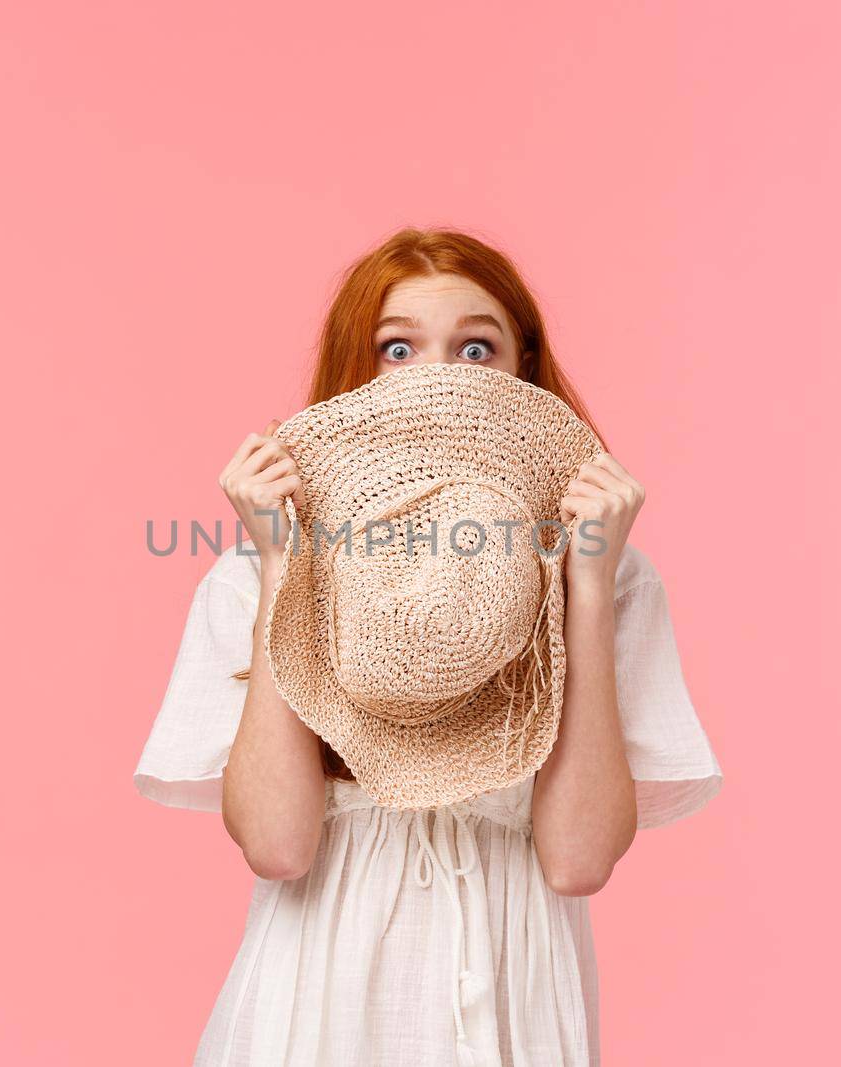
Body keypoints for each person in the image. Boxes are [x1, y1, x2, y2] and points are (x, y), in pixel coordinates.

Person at [133, 227, 722, 1066]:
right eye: (397, 348)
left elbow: (579, 859)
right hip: (315, 1000)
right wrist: (280, 565)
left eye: (475, 347)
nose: (440, 376)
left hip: (516, 998)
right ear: (356, 372)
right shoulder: (251, 573)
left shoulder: (614, 575)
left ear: (523, 367)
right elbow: (278, 844)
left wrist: (585, 590)